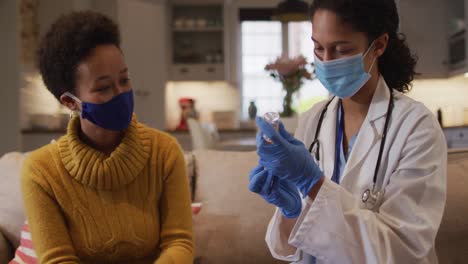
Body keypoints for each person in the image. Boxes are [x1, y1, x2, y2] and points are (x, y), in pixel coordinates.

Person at [248, 0, 447, 263]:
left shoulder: (415, 127)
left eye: (341, 50)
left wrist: (313, 184)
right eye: (318, 48)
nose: (326, 62)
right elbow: (292, 250)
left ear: (379, 45)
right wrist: (290, 210)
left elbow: (403, 252)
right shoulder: (313, 120)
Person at [21, 11, 193, 264]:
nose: (120, 93)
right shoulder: (40, 172)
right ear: (70, 102)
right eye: (103, 87)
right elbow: (57, 259)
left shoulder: (164, 150)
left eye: (124, 79)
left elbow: (179, 243)